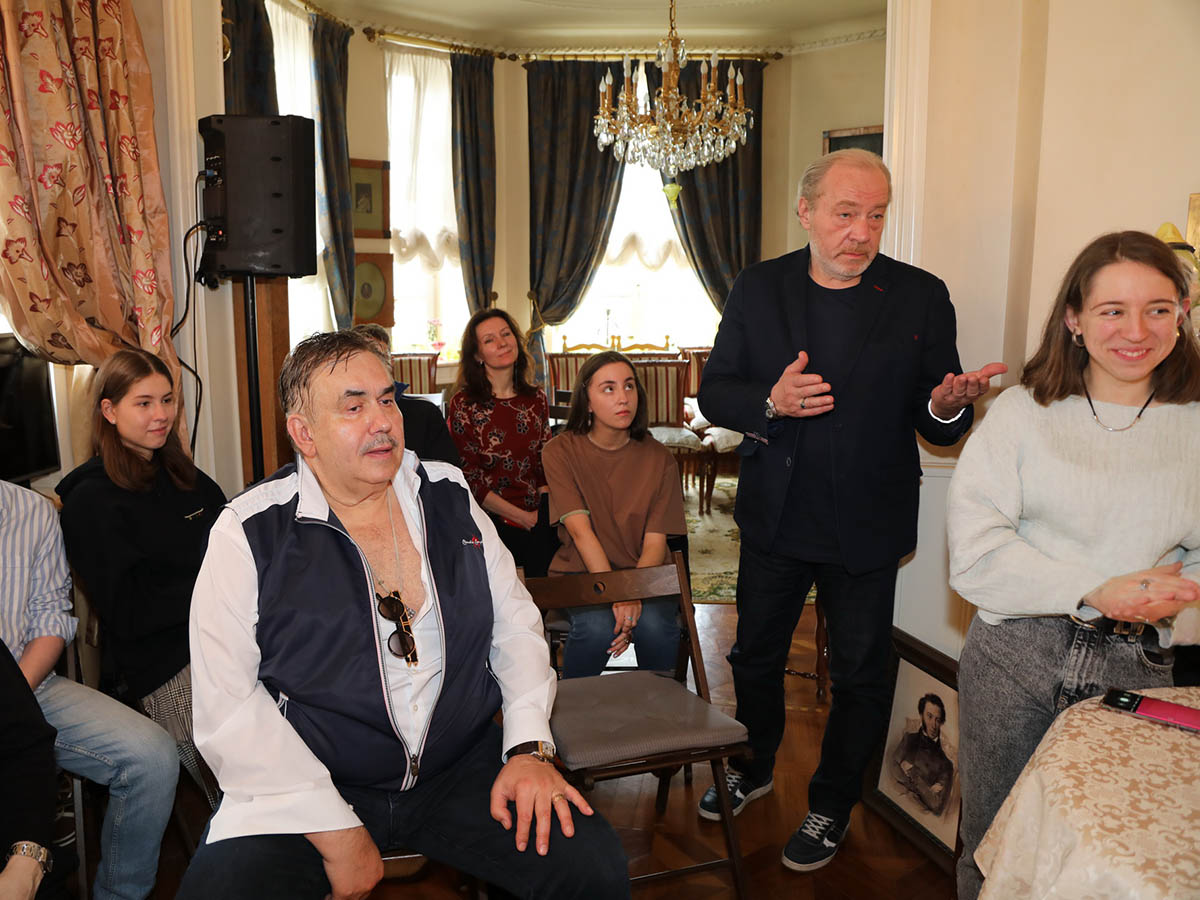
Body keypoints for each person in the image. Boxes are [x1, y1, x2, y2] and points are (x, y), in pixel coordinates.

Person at [177, 330, 628, 900]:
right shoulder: (249, 530)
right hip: (309, 779)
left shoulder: (447, 494)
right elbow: (228, 704)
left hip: (455, 767)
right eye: (354, 407)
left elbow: (515, 625)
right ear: (303, 433)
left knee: (590, 867)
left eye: (387, 399)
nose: (383, 422)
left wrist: (527, 748)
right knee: (221, 890)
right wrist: (335, 830)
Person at [696, 148, 1006, 872]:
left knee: (863, 675)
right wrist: (770, 401)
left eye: (875, 216)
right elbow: (716, 391)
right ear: (806, 213)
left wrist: (947, 404)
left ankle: (833, 802)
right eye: (845, 213)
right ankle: (753, 762)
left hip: (866, 527)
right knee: (755, 655)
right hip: (777, 518)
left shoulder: (920, 296)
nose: (861, 232)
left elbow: (937, 421)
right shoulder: (758, 287)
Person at [947, 230, 1200, 900]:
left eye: (1157, 309)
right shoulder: (1021, 414)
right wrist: (1095, 587)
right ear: (1074, 320)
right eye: (1112, 310)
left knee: (1103, 862)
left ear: (1181, 314)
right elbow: (974, 555)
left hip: (1138, 667)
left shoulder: (1195, 424)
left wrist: (1174, 600)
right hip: (1015, 657)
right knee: (990, 853)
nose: (1136, 331)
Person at [56, 348, 224, 808]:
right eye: (144, 403)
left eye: (167, 400)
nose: (161, 414)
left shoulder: (181, 473)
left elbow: (236, 541)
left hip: (228, 639)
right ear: (109, 411)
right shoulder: (90, 500)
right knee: (245, 787)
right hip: (168, 666)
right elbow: (131, 614)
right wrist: (219, 589)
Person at [0, 478, 179, 900]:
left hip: (29, 684)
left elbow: (50, 619)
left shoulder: (32, 512)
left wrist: (12, 704)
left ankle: (120, 893)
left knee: (152, 756)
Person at [542, 351, 686, 678]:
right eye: (609, 388)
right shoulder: (559, 451)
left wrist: (632, 593)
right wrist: (619, 595)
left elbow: (655, 543)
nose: (623, 397)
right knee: (595, 627)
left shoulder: (661, 459)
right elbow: (581, 533)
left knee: (655, 626)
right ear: (587, 401)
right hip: (582, 573)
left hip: (646, 576)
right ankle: (576, 708)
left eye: (629, 386)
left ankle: (659, 706)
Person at [447, 308, 558, 577]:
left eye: (506, 334)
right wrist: (521, 518)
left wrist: (542, 514)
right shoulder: (464, 405)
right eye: (489, 340)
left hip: (538, 516)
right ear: (477, 355)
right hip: (490, 520)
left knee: (547, 586)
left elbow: (544, 463)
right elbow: (470, 479)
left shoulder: (536, 399)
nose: (502, 343)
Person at [349, 323, 461, 466]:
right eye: (361, 360)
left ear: (391, 363)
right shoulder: (342, 421)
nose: (372, 366)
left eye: (380, 356)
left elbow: (448, 472)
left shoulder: (425, 415)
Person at [891, 693, 954, 816]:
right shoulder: (908, 739)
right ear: (921, 715)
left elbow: (937, 805)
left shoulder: (946, 765)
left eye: (937, 720)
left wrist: (912, 773)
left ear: (941, 722)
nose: (933, 725)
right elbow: (892, 767)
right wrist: (926, 791)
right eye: (929, 716)